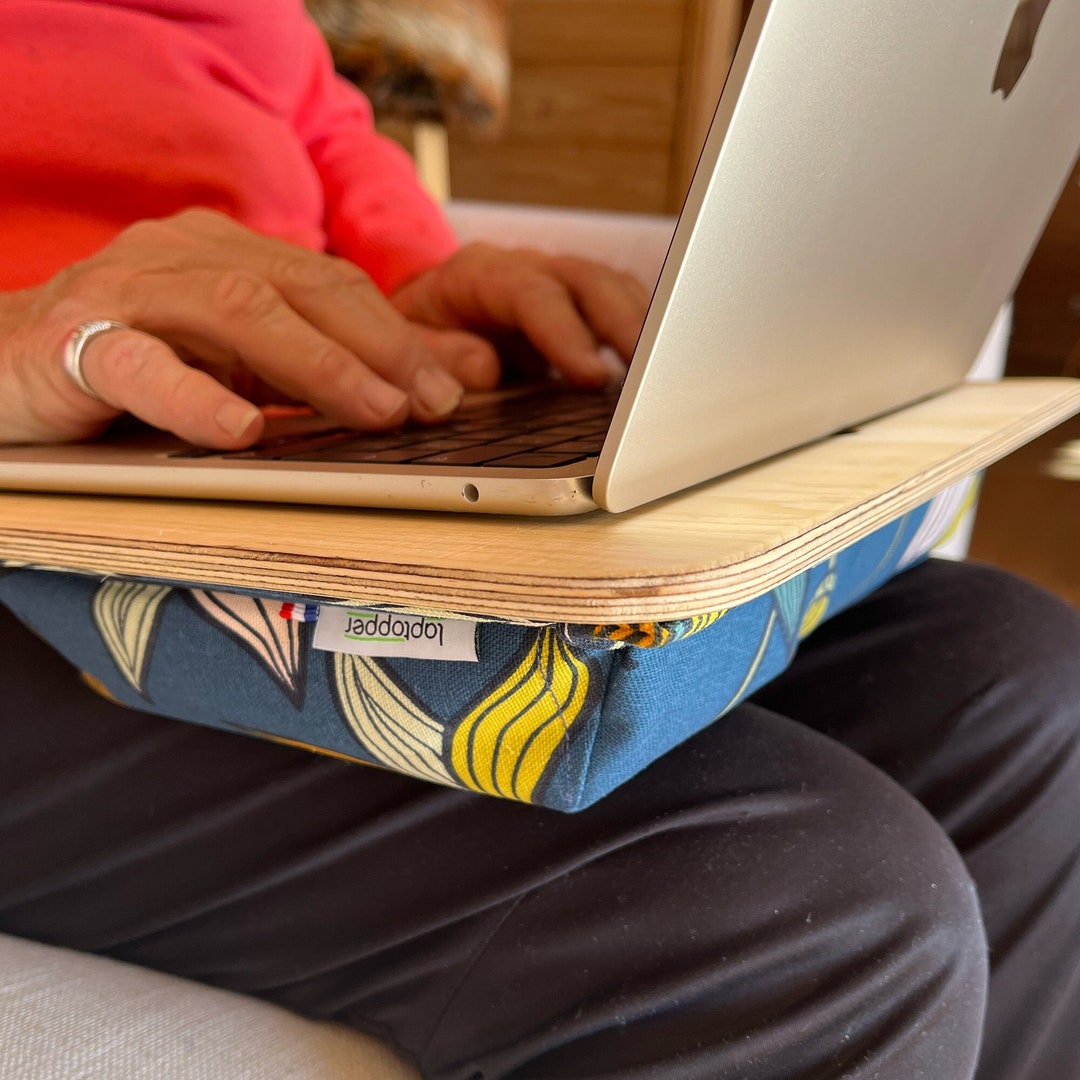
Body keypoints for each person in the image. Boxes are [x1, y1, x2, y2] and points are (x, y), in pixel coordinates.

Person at [1, 2, 1079, 1077]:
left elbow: (334, 154)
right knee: (806, 913)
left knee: (1012, 674)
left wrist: (422, 310)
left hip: (248, 451)